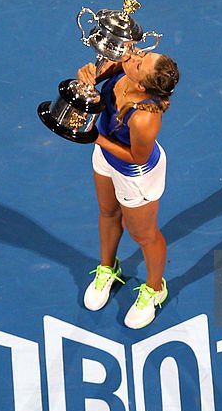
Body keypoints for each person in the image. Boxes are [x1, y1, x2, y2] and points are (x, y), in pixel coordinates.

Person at [76, 45, 180, 328]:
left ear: (142, 85)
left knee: (143, 235)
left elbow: (136, 156)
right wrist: (89, 76)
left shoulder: (146, 117)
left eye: (138, 63)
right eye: (142, 55)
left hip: (135, 172)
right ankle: (108, 268)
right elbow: (100, 73)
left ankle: (156, 289)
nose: (133, 57)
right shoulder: (126, 67)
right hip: (106, 151)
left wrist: (93, 137)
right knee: (108, 212)